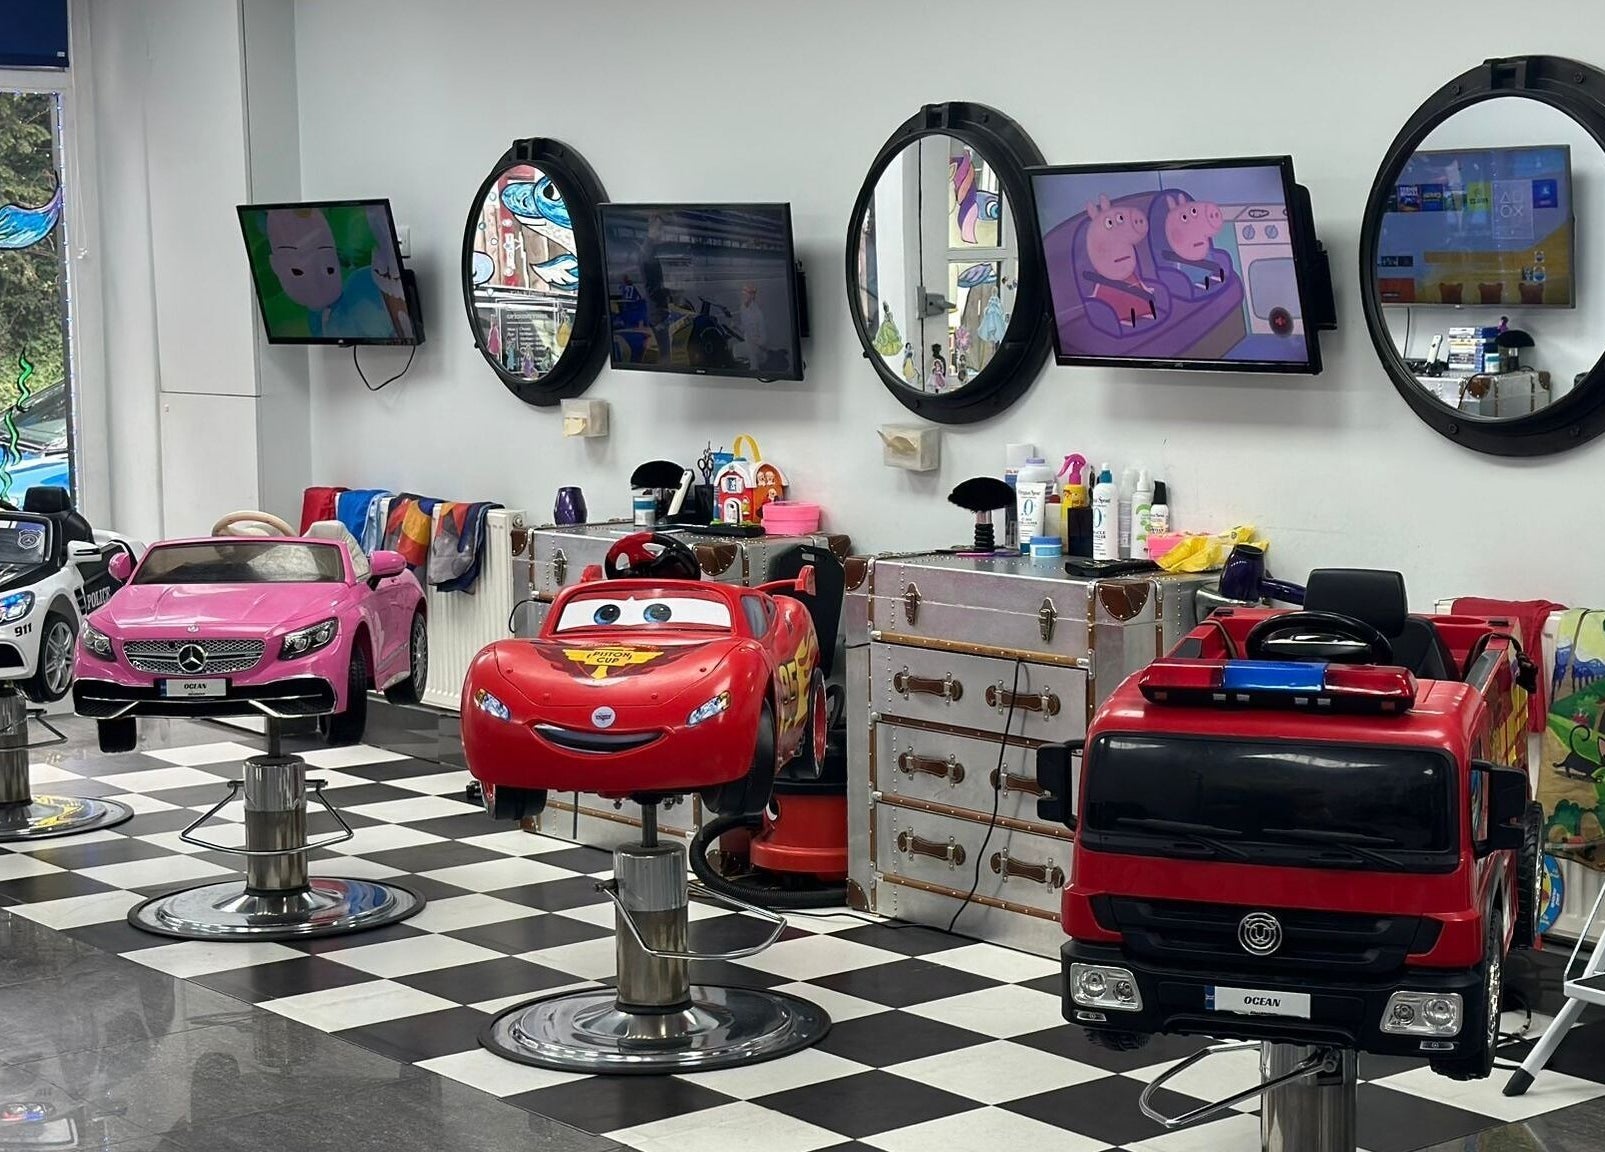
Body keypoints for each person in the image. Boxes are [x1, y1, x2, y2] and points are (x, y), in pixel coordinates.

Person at [737, 282, 768, 370]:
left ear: (752, 295)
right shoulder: (743, 308)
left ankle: (754, 368)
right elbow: (745, 327)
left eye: (746, 292)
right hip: (748, 341)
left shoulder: (758, 313)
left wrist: (756, 343)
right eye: (742, 291)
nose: (743, 293)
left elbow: (763, 338)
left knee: (739, 351)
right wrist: (735, 327)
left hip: (758, 349)